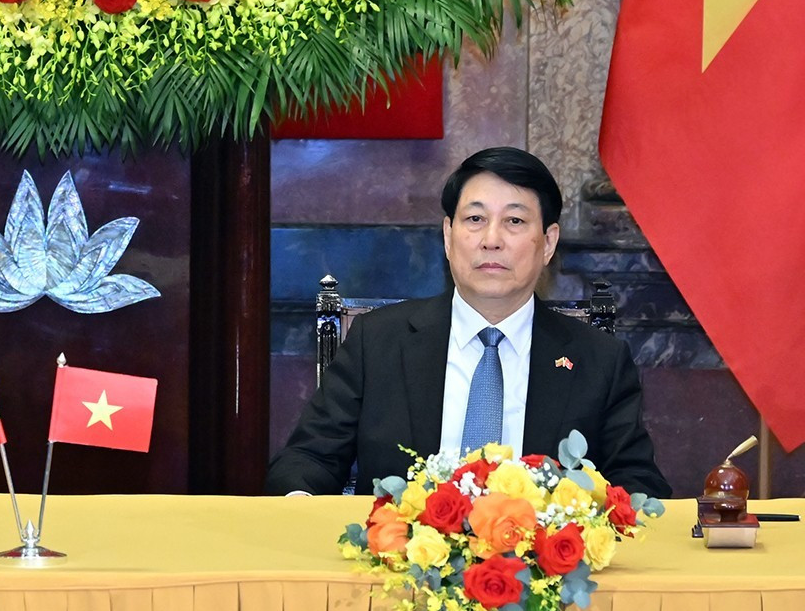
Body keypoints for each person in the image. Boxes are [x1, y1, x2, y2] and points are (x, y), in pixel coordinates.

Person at [266, 147, 670, 497]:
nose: (491, 239)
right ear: (448, 236)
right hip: (402, 557)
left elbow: (637, 482)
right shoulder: (379, 340)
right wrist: (301, 502)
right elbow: (309, 457)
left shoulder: (598, 359)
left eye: (514, 221)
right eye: (475, 219)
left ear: (548, 243)